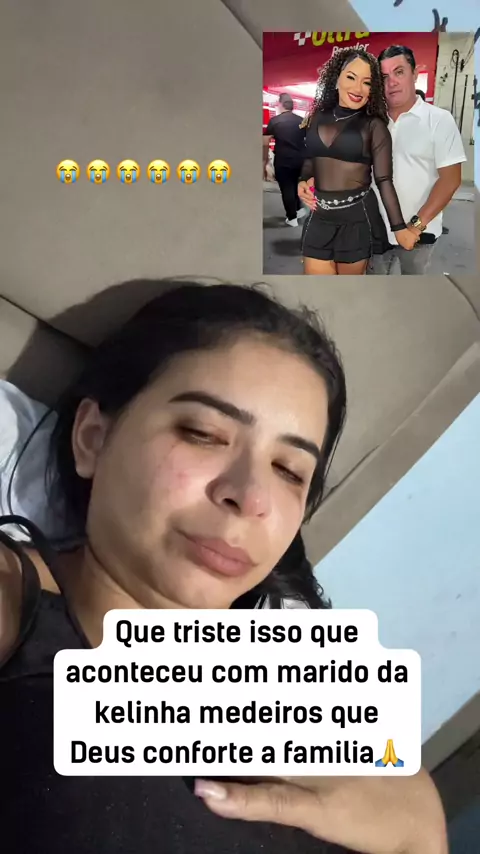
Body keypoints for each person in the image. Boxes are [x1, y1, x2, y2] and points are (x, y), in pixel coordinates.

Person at [0, 281, 447, 854]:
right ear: (93, 438)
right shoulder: (16, 607)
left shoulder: (305, 694)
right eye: (204, 434)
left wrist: (421, 830)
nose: (251, 496)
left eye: (289, 471)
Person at [297, 48, 417, 276]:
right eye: (351, 77)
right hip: (319, 215)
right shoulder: (317, 117)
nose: (358, 88)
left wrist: (399, 228)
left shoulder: (374, 126)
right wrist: (303, 181)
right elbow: (311, 158)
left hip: (356, 218)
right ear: (336, 79)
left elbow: (384, 180)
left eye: (367, 82)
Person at [369, 45, 466, 275]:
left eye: (399, 72)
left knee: (412, 289)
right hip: (374, 231)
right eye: (384, 77)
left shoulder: (438, 120)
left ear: (414, 74)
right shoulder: (373, 122)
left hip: (419, 234)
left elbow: (450, 180)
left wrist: (414, 228)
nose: (391, 82)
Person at [263, 93, 308, 227]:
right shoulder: (301, 121)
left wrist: (265, 161)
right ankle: (298, 210)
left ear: (280, 104)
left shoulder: (275, 121)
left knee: (287, 187)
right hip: (300, 159)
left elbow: (265, 142)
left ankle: (292, 218)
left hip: (283, 159)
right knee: (295, 185)